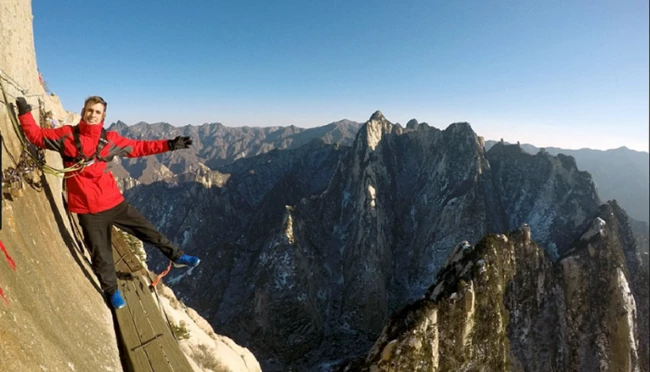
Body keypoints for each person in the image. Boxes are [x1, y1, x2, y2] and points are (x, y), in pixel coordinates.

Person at [15, 96, 200, 310]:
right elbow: (36, 136)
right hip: (87, 210)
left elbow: (139, 148)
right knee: (101, 254)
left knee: (148, 230)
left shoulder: (110, 140)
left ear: (103, 116)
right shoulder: (66, 135)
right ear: (84, 111)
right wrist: (24, 111)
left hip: (113, 203)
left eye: (97, 112)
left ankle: (176, 256)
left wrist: (169, 145)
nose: (92, 114)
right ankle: (112, 291)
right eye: (90, 110)